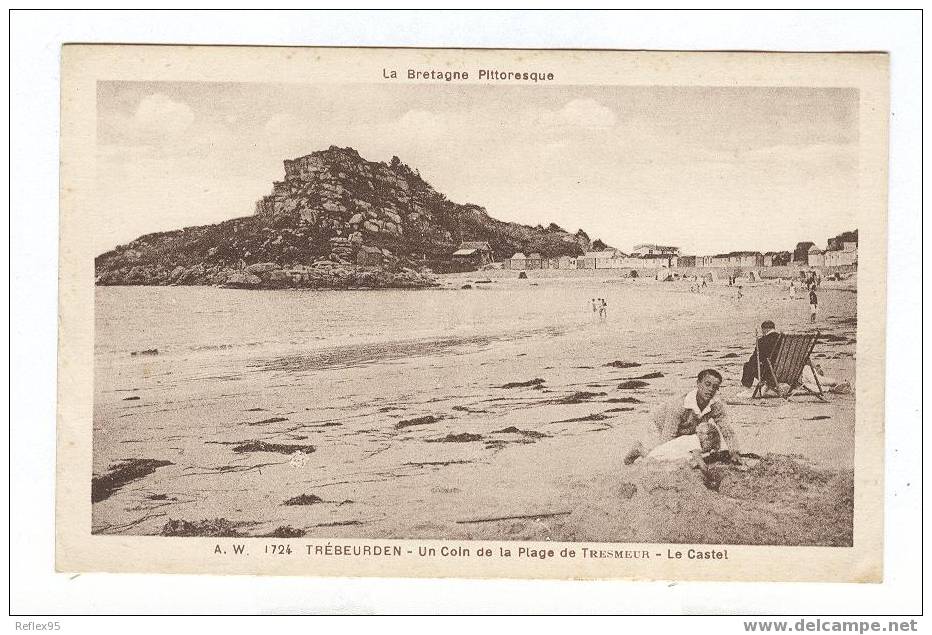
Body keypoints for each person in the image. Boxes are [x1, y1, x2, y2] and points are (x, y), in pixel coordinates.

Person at [623, 369, 741, 465]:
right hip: (659, 424)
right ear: (698, 384)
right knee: (659, 457)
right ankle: (639, 449)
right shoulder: (679, 405)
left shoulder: (716, 405)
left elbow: (727, 430)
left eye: (715, 387)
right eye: (707, 384)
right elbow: (667, 438)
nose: (711, 389)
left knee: (690, 454)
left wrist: (734, 452)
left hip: (686, 428)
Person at [742, 320, 781, 388]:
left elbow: (755, 358)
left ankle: (746, 388)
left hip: (770, 373)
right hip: (785, 371)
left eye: (762, 330)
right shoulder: (782, 338)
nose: (762, 332)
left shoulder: (762, 340)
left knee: (748, 366)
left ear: (765, 329)